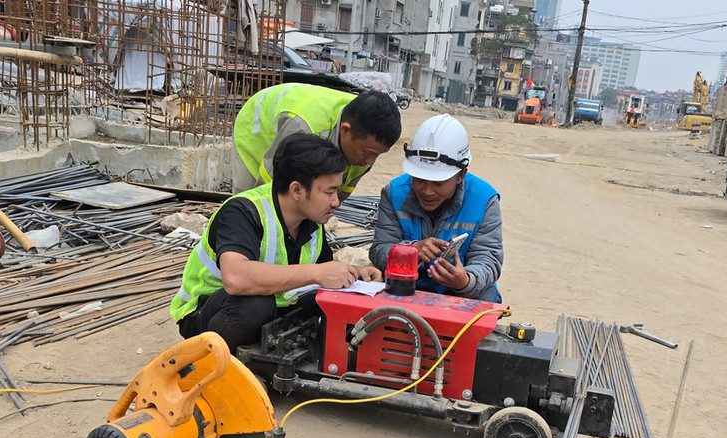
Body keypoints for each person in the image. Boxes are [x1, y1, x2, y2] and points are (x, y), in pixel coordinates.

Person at [172, 134, 382, 351]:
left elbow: (322, 271)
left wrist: (354, 272)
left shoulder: (311, 220)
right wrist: (317, 273)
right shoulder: (243, 211)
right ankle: (209, 367)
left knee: (333, 299)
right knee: (254, 305)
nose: (336, 201)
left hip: (275, 307)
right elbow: (236, 278)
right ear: (297, 190)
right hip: (207, 314)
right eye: (329, 192)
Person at [369, 114, 503, 303]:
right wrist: (411, 251)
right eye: (420, 179)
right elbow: (379, 250)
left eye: (438, 182)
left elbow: (488, 258)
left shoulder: (484, 200)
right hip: (406, 285)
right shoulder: (394, 193)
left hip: (456, 292)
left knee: (487, 298)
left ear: (461, 175)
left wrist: (464, 282)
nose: (427, 191)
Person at [232, 83, 401, 203]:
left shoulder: (365, 144)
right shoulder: (304, 127)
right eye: (368, 152)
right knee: (249, 204)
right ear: (345, 130)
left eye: (377, 155)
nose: (370, 161)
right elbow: (271, 185)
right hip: (258, 129)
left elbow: (336, 197)